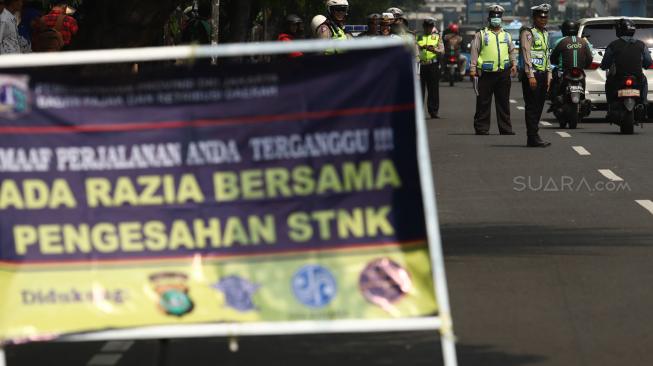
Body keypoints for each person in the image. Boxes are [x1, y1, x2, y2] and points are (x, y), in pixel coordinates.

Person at [469, 5, 518, 135]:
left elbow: (512, 51)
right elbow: (474, 51)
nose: (496, 19)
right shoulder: (481, 34)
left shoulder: (506, 35)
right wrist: (473, 68)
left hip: (503, 73)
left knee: (503, 102)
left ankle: (506, 128)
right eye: (493, 17)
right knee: (483, 102)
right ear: (489, 18)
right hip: (486, 74)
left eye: (498, 17)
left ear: (501, 19)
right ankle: (481, 128)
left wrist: (514, 64)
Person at [600, 18, 652, 108]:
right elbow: (648, 62)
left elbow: (605, 63)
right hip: (637, 78)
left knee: (608, 82)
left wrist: (604, 66)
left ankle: (610, 104)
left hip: (618, 78)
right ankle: (643, 102)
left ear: (620, 30)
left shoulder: (613, 45)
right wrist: (644, 65)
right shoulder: (641, 45)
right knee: (644, 81)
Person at [520, 4, 552, 147]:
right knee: (532, 106)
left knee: (539, 106)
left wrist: (549, 74)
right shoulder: (528, 33)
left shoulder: (545, 33)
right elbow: (527, 54)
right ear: (534, 18)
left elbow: (547, 55)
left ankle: (534, 135)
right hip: (532, 75)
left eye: (545, 17)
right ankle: (532, 137)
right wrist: (530, 75)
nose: (543, 20)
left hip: (543, 74)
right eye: (540, 17)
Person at [549, 20, 593, 103]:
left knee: (555, 76)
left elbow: (553, 58)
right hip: (580, 72)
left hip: (564, 72)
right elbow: (589, 58)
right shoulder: (583, 42)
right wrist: (585, 66)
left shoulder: (560, 41)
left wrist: (556, 63)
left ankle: (553, 98)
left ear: (564, 30)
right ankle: (582, 97)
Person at [418, 18, 444, 119]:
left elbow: (442, 51)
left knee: (433, 89)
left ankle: (433, 111)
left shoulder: (437, 37)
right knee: (420, 90)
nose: (428, 28)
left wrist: (434, 50)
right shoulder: (419, 37)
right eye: (426, 26)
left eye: (430, 26)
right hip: (421, 65)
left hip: (433, 65)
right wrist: (421, 47)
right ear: (423, 27)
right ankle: (418, 112)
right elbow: (415, 49)